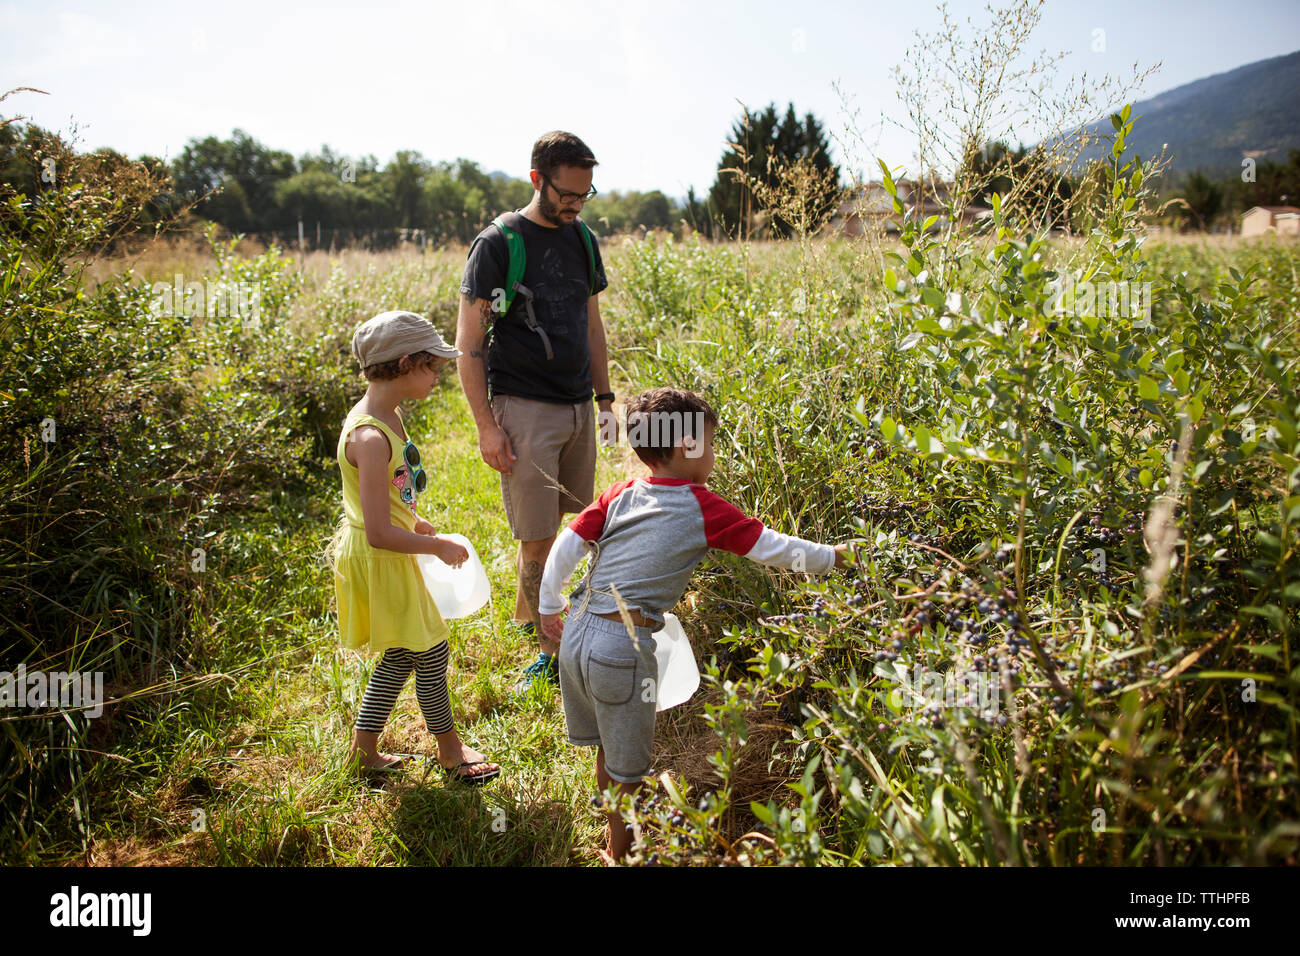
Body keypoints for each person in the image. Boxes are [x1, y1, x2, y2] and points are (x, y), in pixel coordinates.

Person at [537, 387, 853, 860]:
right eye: (710, 441)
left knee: (608, 749)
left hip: (579, 630)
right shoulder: (702, 506)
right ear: (686, 446)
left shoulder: (620, 494)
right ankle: (620, 853)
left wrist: (548, 604)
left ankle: (613, 833)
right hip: (622, 646)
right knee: (630, 771)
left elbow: (568, 544)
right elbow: (774, 547)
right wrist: (834, 557)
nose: (713, 452)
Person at [456, 130, 616, 694]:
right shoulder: (498, 243)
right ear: (537, 180)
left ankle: (543, 616)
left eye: (585, 194)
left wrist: (604, 400)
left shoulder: (583, 239)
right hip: (523, 407)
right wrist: (485, 425)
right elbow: (469, 345)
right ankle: (552, 651)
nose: (575, 204)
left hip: (577, 405)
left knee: (576, 523)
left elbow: (592, 326)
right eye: (567, 193)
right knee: (536, 535)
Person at [332, 309, 500, 785]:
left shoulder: (388, 416)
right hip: (383, 557)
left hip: (392, 553)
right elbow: (378, 531)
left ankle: (363, 752)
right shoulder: (368, 436)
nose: (437, 378)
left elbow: (388, 499)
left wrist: (416, 520)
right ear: (405, 364)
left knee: (406, 654)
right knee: (428, 652)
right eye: (433, 368)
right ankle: (450, 751)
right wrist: (438, 546)